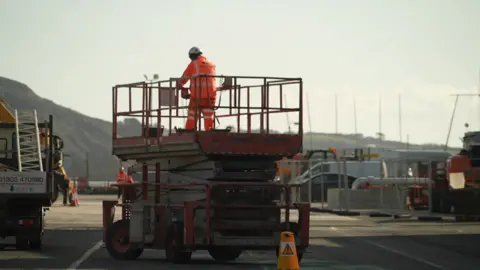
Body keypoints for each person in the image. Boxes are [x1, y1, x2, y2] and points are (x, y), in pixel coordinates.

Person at [176, 47, 217, 131]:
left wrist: (179, 85)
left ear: (192, 56)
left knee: (192, 116)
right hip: (210, 97)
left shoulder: (194, 64)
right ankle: (211, 133)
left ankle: (188, 132)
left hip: (197, 97)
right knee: (209, 117)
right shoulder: (211, 64)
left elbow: (185, 77)